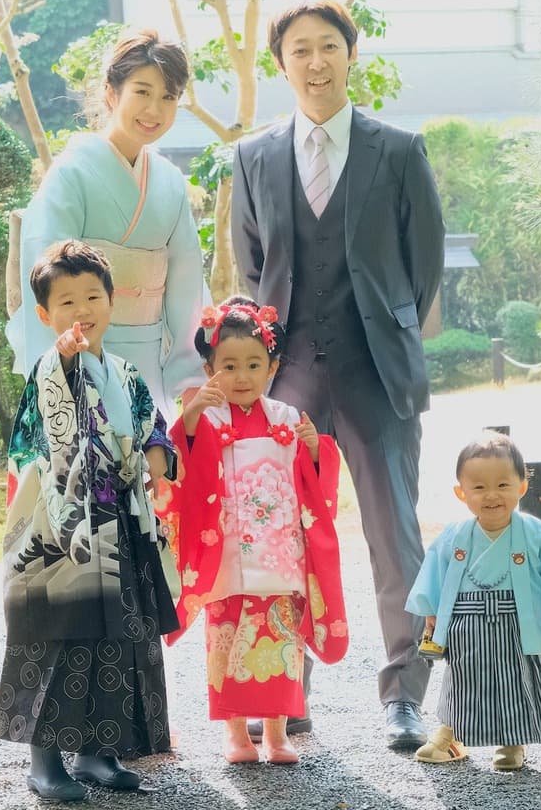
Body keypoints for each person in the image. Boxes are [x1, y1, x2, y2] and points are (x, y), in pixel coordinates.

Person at [230, 0, 444, 749]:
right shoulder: (254, 156)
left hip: (376, 374)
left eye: (328, 47)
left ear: (352, 55)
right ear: (280, 64)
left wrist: (381, 333)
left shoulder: (400, 149)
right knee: (277, 540)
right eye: (299, 51)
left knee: (396, 539)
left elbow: (422, 274)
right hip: (287, 379)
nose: (315, 63)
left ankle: (404, 696)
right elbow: (252, 272)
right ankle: (286, 693)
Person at [0, 240, 180, 802]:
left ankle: (100, 752)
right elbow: (44, 441)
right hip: (64, 531)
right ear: (45, 315)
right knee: (57, 636)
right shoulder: (49, 370)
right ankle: (44, 760)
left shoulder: (124, 372)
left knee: (119, 640)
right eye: (66, 301)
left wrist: (156, 454)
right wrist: (68, 363)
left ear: (112, 301)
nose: (82, 310)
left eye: (92, 296)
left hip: (121, 523)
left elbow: (152, 425)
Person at [156, 296, 349, 765]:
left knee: (281, 644)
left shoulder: (286, 419)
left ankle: (277, 734)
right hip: (225, 554)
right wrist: (192, 419)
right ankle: (236, 734)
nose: (241, 376)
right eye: (229, 366)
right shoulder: (209, 418)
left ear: (272, 366)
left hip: (279, 554)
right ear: (209, 369)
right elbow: (178, 464)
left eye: (253, 365)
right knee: (227, 642)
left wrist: (316, 451)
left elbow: (317, 478)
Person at [6, 30, 209, 418]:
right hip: (86, 354)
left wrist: (188, 372)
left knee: (149, 464)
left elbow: (186, 283)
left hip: (149, 357)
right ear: (112, 93)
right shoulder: (73, 173)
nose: (155, 109)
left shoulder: (168, 180)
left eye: (168, 97)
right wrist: (64, 365)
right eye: (143, 92)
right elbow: (46, 275)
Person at [405, 431, 541, 770]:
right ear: (461, 493)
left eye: (503, 485)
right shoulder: (454, 536)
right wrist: (431, 613)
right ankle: (449, 736)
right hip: (467, 623)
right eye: (478, 487)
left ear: (522, 486)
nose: (492, 495)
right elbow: (433, 573)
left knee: (515, 681)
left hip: (518, 623)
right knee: (462, 680)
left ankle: (512, 742)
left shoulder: (539, 535)